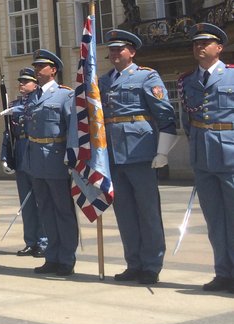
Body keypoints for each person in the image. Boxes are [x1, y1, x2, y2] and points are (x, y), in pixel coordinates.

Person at [98, 29, 178, 285]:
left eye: (119, 48)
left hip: (140, 150)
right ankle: (133, 262)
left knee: (147, 211)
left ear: (132, 51)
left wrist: (162, 150)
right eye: (111, 49)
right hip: (113, 153)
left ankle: (152, 264)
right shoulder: (103, 81)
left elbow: (165, 115)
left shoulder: (146, 76)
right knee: (125, 212)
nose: (114, 53)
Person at [178, 23, 234, 293]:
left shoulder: (231, 76)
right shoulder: (188, 80)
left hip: (231, 154)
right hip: (203, 157)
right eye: (196, 44)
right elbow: (189, 122)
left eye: (205, 43)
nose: (199, 47)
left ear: (219, 48)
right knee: (214, 219)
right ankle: (223, 272)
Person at [25, 49, 77, 277]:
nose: (37, 70)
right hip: (36, 158)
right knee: (45, 210)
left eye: (41, 66)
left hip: (56, 156)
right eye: (36, 67)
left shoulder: (65, 95)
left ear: (53, 70)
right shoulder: (33, 96)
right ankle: (52, 256)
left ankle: (66, 259)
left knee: (63, 210)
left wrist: (72, 153)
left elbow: (73, 126)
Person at [0, 67, 47, 258]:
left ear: (35, 84)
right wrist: (5, 156)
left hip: (34, 148)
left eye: (25, 81)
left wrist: (19, 108)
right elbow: (8, 133)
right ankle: (31, 241)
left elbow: (35, 111)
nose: (21, 84)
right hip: (20, 150)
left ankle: (44, 241)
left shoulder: (39, 100)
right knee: (26, 203)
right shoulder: (15, 104)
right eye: (20, 81)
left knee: (41, 200)